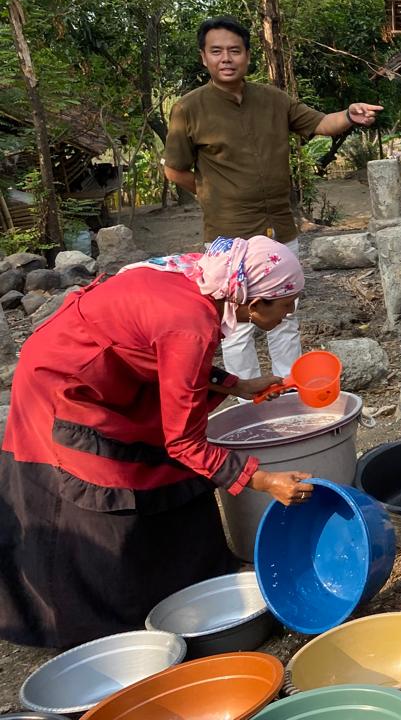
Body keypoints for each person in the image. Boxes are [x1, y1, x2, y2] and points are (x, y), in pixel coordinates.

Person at [0, 236, 315, 648]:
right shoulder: (191, 322)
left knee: (174, 476)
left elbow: (160, 352)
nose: (290, 312)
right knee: (108, 491)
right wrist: (262, 480)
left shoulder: (201, 278)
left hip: (111, 373)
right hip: (64, 387)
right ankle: (97, 622)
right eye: (285, 303)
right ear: (253, 304)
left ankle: (190, 583)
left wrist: (237, 384)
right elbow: (183, 441)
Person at [163, 16, 382, 380]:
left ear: (248, 56)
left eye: (234, 50)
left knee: (285, 314)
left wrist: (348, 115)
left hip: (278, 228)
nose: (226, 58)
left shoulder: (272, 99)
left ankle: (288, 390)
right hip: (227, 238)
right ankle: (248, 401)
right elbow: (175, 169)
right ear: (204, 58)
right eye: (216, 51)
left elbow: (319, 123)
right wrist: (211, 195)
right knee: (236, 325)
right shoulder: (189, 108)